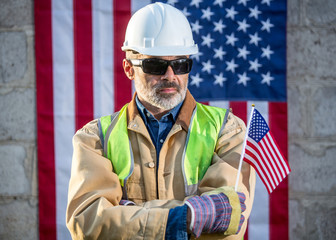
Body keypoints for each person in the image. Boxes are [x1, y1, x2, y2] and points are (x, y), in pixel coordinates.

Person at [66, 2, 255, 239]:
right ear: (128, 69)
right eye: (155, 65)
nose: (170, 75)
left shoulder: (226, 131)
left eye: (180, 64)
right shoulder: (96, 138)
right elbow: (87, 223)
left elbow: (227, 225)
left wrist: (127, 214)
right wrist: (188, 217)